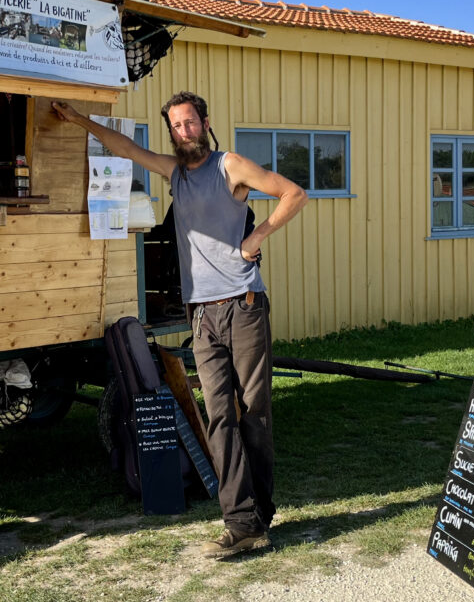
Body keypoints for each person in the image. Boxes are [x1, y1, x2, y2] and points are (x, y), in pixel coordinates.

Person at [53, 93, 308, 559]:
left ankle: (260, 512)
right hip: (203, 314)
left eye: (190, 123)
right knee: (218, 417)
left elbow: (294, 193)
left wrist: (256, 236)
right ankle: (240, 522)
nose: (183, 132)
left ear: (205, 123)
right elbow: (126, 148)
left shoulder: (229, 166)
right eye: (176, 127)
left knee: (254, 414)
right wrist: (78, 119)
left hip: (244, 306)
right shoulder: (174, 173)